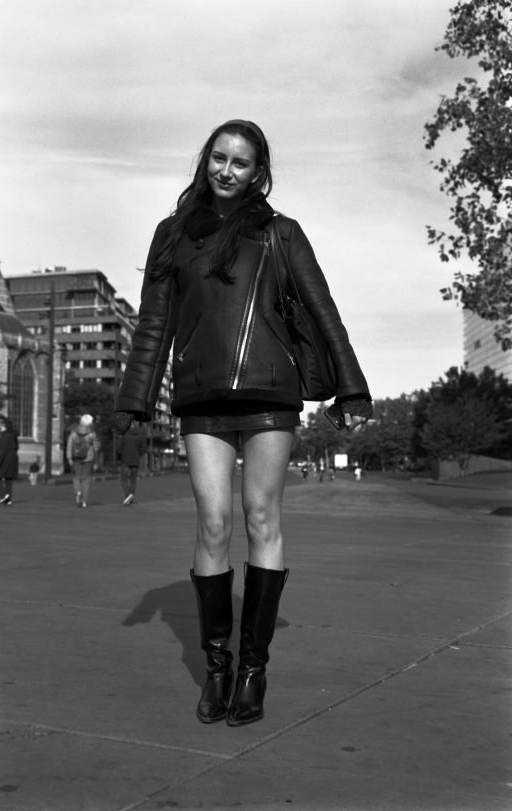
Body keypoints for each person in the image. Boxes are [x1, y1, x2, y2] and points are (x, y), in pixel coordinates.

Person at [111, 119, 372, 726]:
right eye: (219, 159)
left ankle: (254, 670)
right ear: (206, 161)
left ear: (259, 173)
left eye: (241, 163)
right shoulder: (172, 234)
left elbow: (320, 307)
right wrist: (133, 401)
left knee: (260, 517)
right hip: (200, 397)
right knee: (212, 521)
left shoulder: (280, 233)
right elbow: (154, 322)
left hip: (269, 394)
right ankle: (218, 665)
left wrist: (352, 387)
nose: (227, 171)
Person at [66, 414, 100, 507]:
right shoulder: (92, 434)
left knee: (76, 477)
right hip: (88, 459)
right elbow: (96, 447)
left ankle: (78, 492)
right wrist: (96, 461)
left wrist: (69, 458)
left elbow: (69, 445)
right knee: (86, 479)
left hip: (76, 459)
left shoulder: (73, 433)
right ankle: (84, 501)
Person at [117, 420, 147, 504]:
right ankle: (131, 495)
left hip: (125, 460)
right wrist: (138, 453)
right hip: (135, 460)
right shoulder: (141, 435)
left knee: (123, 479)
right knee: (133, 480)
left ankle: (127, 495)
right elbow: (144, 448)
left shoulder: (124, 435)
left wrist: (120, 456)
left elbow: (119, 448)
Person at [0, 418, 19, 505]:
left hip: (4, 460)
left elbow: (1, 452)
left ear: (4, 425)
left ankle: (4, 496)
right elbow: (16, 447)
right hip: (12, 459)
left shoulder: (4, 437)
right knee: (8, 479)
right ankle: (8, 499)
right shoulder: (11, 435)